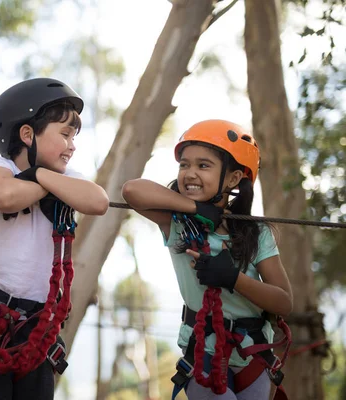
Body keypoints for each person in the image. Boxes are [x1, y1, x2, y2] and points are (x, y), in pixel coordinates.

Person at [0, 78, 109, 400]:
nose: (73, 145)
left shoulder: (68, 178)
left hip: (39, 328)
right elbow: (5, 195)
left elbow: (98, 201)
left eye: (74, 136)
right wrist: (47, 183)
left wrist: (40, 175)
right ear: (27, 135)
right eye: (65, 134)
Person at [122, 120, 293, 400]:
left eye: (203, 165)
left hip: (253, 354)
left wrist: (233, 279)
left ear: (234, 179)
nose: (189, 173)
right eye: (184, 165)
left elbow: (284, 302)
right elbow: (131, 191)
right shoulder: (176, 222)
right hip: (204, 351)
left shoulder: (256, 233)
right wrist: (194, 208)